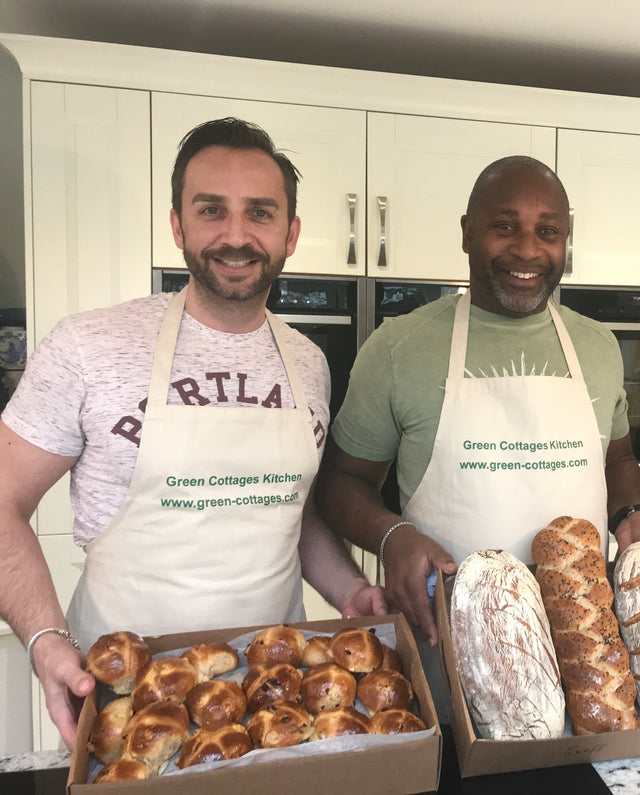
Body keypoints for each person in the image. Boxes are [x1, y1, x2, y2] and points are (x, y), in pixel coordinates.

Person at [0, 118, 386, 749]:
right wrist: (44, 641)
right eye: (212, 210)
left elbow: (292, 507)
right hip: (130, 693)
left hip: (274, 693)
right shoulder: (89, 346)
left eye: (259, 213)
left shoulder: (308, 362)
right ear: (178, 224)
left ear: (290, 234)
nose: (236, 236)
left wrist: (350, 590)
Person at [316, 155, 640, 646]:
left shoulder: (598, 346)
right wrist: (392, 537)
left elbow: (619, 458)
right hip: (445, 632)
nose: (527, 250)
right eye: (504, 226)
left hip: (583, 635)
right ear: (466, 233)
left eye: (548, 232)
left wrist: (634, 513)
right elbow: (340, 481)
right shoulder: (400, 347)